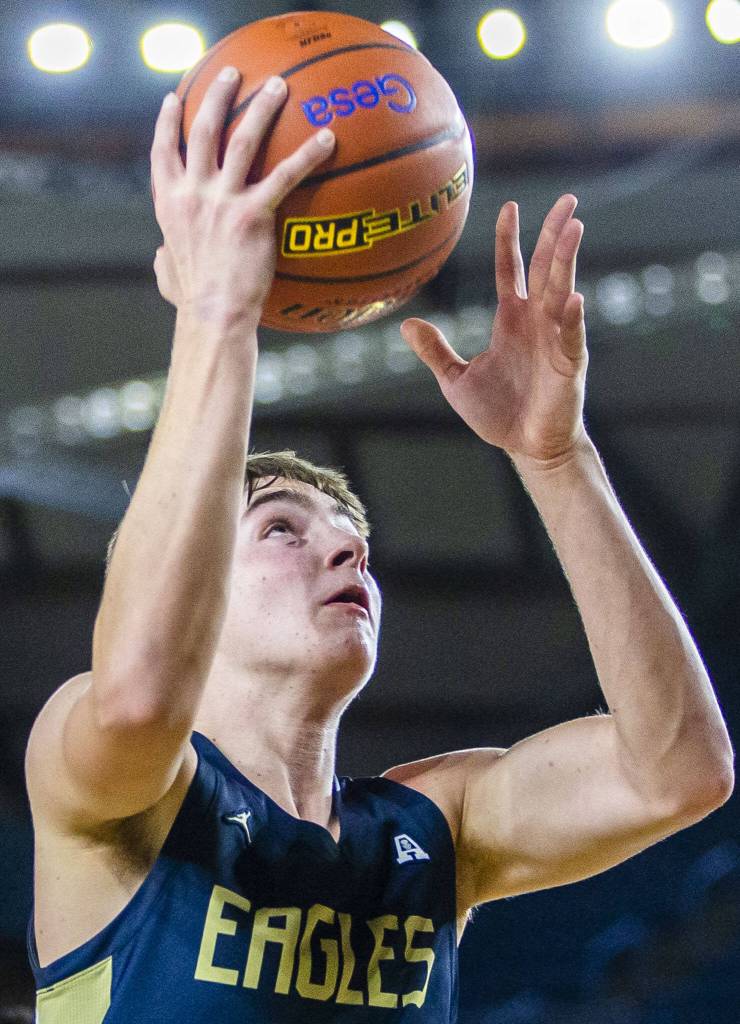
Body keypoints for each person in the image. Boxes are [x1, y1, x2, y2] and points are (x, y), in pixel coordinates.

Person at [24, 68, 733, 1023]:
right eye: (283, 527)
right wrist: (218, 316)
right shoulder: (113, 790)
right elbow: (144, 688)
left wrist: (556, 458)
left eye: (356, 542)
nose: (350, 555)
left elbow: (680, 770)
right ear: (196, 585)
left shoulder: (437, 830)